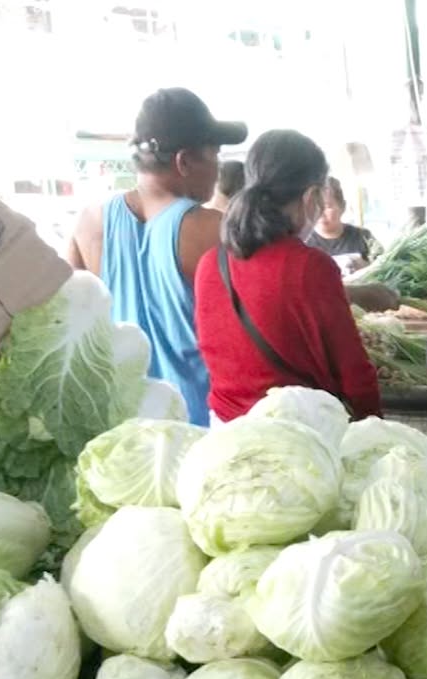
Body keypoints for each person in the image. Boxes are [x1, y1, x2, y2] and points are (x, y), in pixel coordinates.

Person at [68, 88, 244, 426]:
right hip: (201, 427)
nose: (217, 168)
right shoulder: (214, 229)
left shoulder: (89, 222)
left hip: (125, 429)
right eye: (214, 155)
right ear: (184, 162)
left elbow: (68, 322)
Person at [194, 129, 381, 424]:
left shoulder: (210, 264)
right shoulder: (311, 267)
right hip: (297, 436)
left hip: (226, 432)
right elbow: (355, 375)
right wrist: (376, 429)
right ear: (311, 197)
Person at [303, 176, 377, 273]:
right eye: (315, 207)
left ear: (342, 206)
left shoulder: (363, 237)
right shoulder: (304, 243)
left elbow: (383, 268)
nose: (320, 213)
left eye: (327, 207)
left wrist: (366, 267)